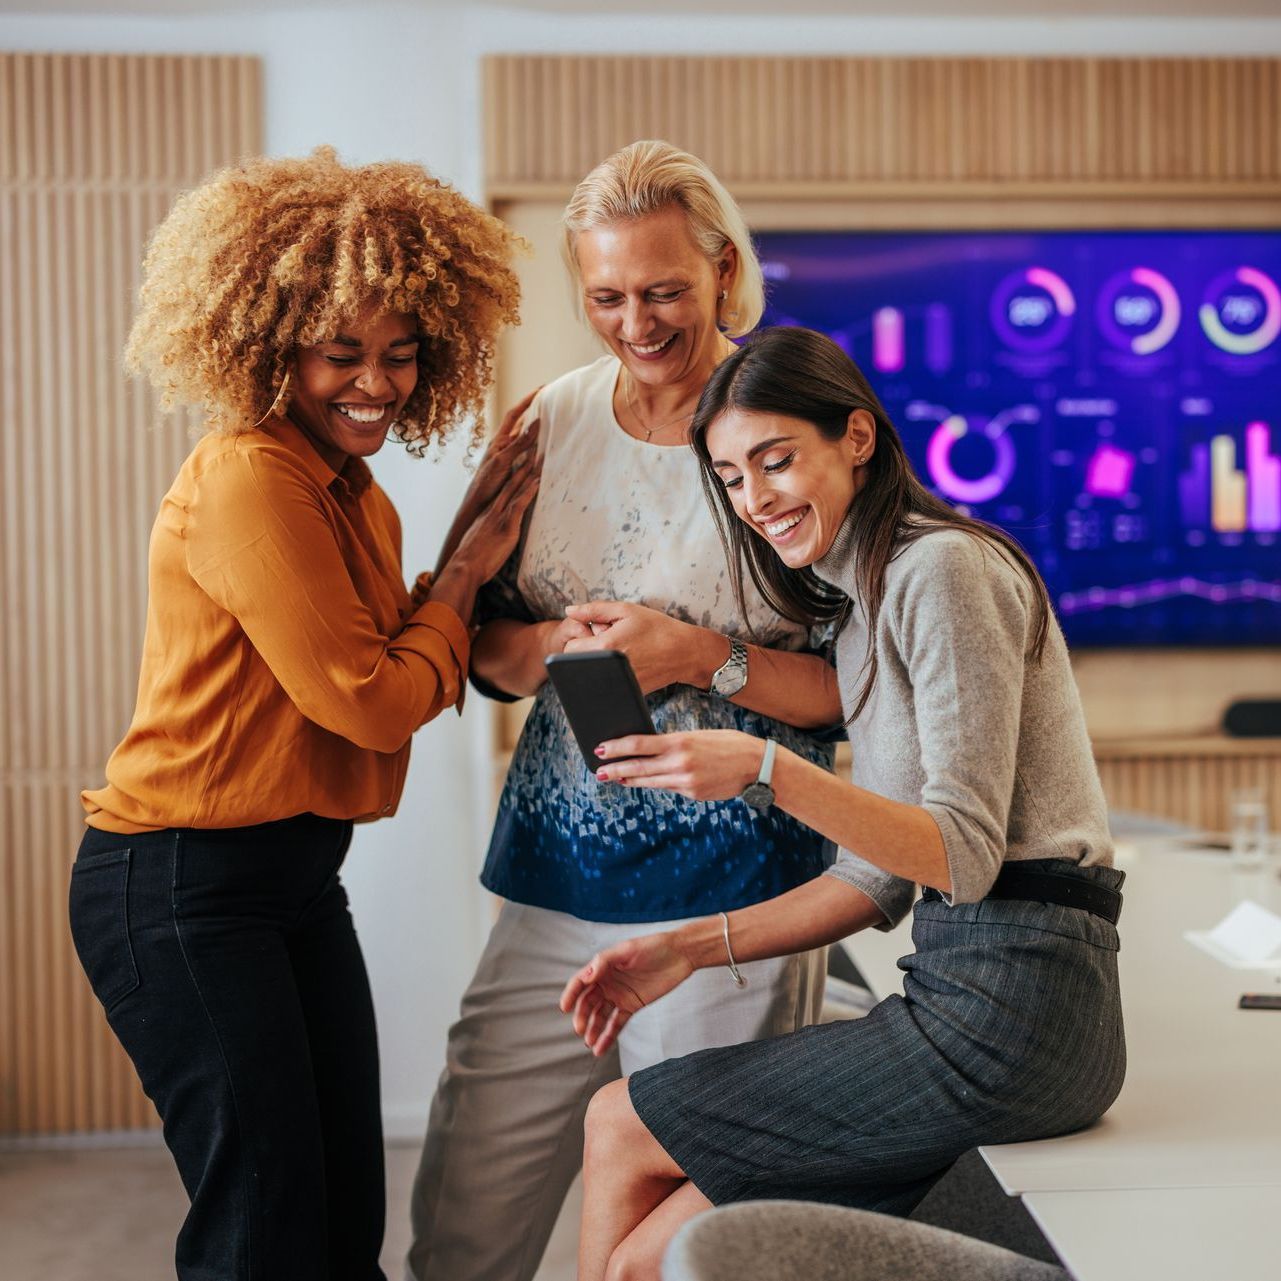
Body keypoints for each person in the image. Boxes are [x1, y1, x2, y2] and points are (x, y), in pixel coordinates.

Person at [560, 325, 1127, 1281]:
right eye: (733, 478)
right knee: (648, 1258)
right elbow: (876, 880)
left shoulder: (942, 569)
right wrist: (682, 949)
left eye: (775, 461)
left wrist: (769, 769)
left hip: (1014, 1017)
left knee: (619, 1119)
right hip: (969, 997)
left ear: (856, 437)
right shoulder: (863, 601)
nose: (756, 500)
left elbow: (962, 856)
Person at [68, 147, 534, 1281]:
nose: (375, 382)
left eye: (400, 355)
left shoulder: (353, 496)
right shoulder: (249, 476)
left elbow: (389, 654)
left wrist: (460, 555)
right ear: (272, 344)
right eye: (341, 354)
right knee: (264, 1238)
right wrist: (463, 581)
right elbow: (373, 701)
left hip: (291, 882)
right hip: (181, 887)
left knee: (336, 1228)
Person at [405, 142, 842, 1281]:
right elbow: (473, 648)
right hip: (556, 883)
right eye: (606, 297)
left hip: (735, 907)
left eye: (663, 293)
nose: (636, 322)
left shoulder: (790, 418)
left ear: (724, 274)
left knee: (681, 1238)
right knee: (464, 1220)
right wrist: (553, 645)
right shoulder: (551, 420)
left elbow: (864, 683)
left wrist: (700, 655)